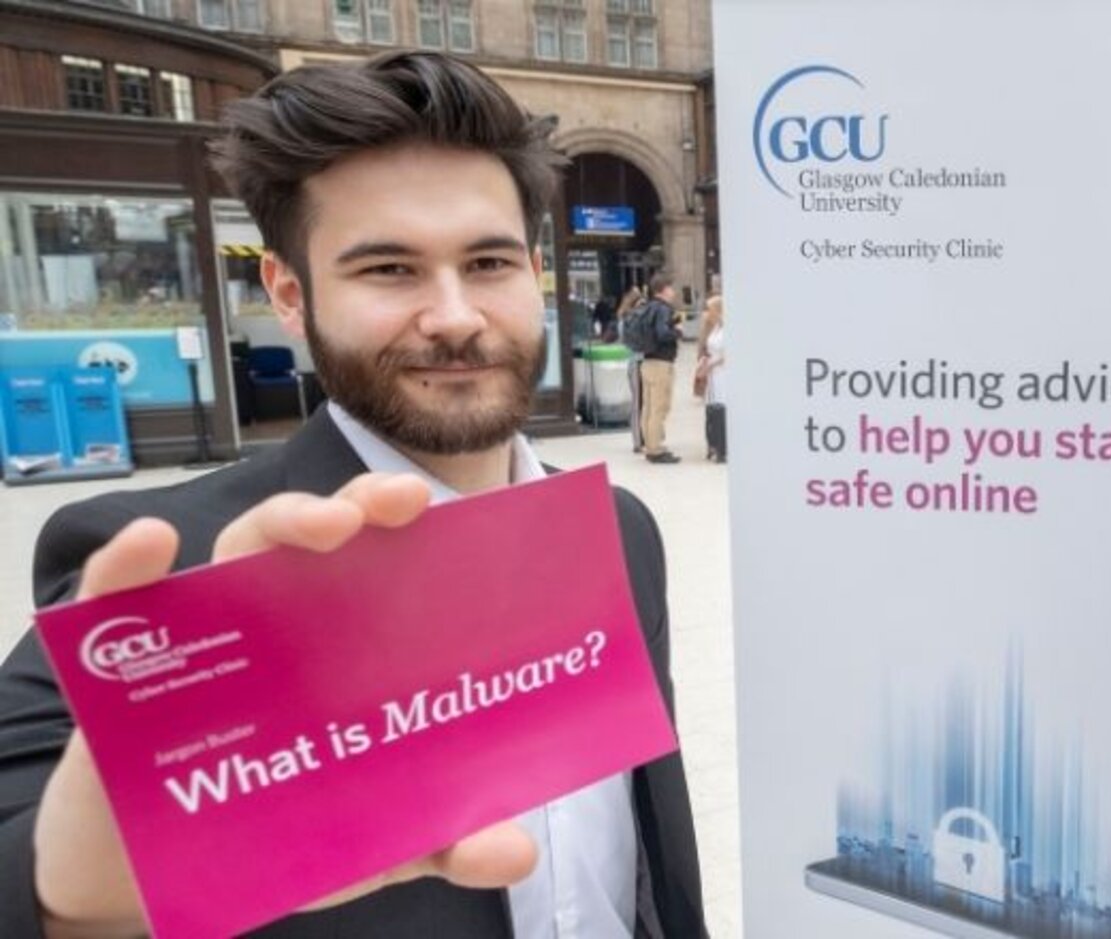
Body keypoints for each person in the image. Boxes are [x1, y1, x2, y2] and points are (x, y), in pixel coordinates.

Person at [0, 52, 708, 939]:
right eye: (389, 270)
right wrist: (73, 897)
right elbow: (27, 831)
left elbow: (650, 846)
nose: (454, 315)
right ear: (291, 294)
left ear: (533, 270)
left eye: (486, 261)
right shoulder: (182, 563)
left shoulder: (618, 526)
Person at [622, 275, 681, 462]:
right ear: (663, 289)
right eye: (671, 288)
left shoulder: (646, 307)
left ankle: (650, 445)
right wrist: (677, 331)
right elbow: (663, 334)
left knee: (648, 407)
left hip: (647, 363)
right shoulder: (663, 309)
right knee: (659, 408)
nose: (674, 291)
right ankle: (656, 450)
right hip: (661, 364)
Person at [694, 295, 726, 463]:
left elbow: (728, 355)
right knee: (711, 408)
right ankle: (712, 444)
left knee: (721, 407)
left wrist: (711, 365)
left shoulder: (728, 329)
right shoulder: (714, 328)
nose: (707, 313)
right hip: (712, 372)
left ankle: (722, 447)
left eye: (709, 309)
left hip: (722, 372)